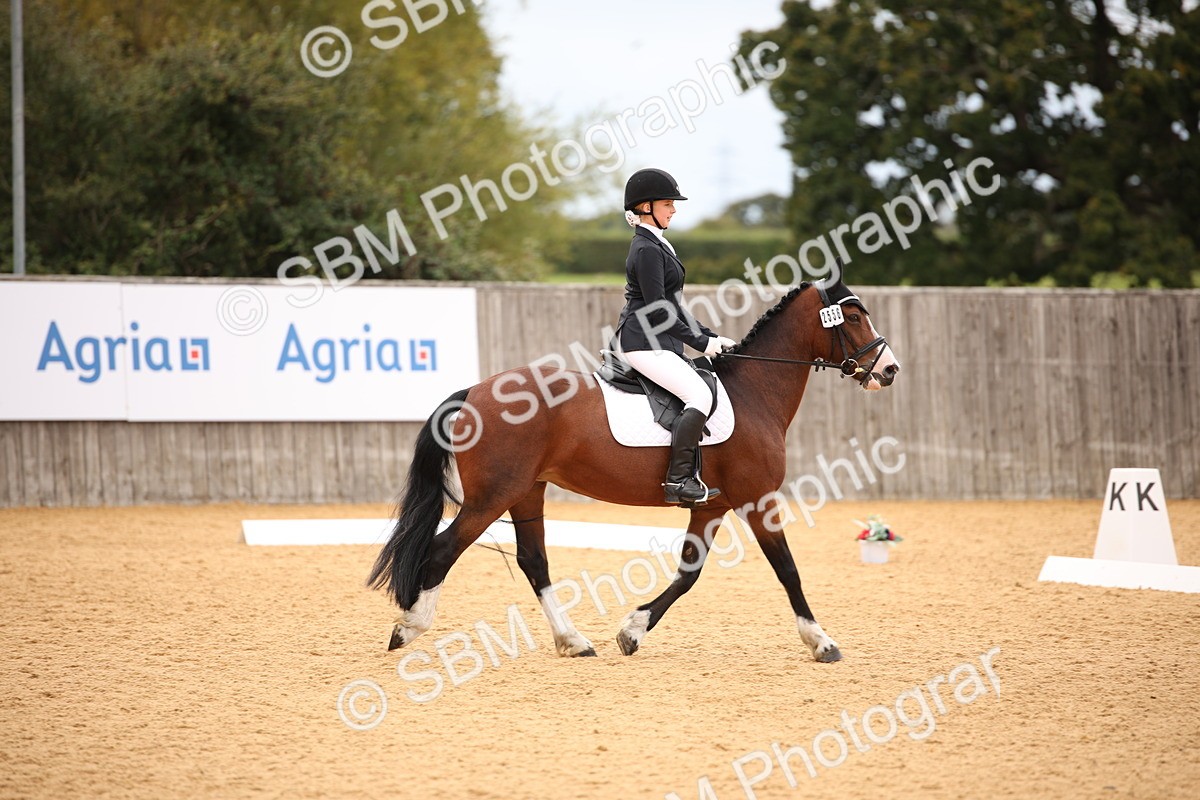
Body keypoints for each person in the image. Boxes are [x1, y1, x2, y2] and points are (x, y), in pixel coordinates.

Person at [613, 167, 737, 506]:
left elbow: (673, 306)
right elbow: (657, 311)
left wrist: (711, 337)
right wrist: (702, 344)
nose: (673, 210)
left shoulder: (657, 243)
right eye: (668, 203)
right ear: (646, 207)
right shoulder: (646, 249)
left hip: (657, 342)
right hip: (642, 342)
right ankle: (678, 480)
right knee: (699, 395)